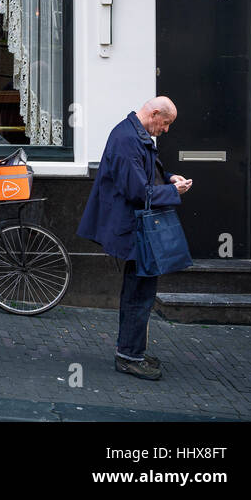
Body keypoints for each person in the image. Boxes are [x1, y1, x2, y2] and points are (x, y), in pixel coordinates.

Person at [78, 97, 192, 381]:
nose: (165, 130)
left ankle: (132, 350)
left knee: (139, 291)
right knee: (139, 294)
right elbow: (137, 192)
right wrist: (174, 193)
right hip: (134, 229)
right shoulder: (128, 139)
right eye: (165, 124)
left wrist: (169, 178)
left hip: (135, 227)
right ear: (154, 114)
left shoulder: (132, 134)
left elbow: (149, 172)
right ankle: (129, 356)